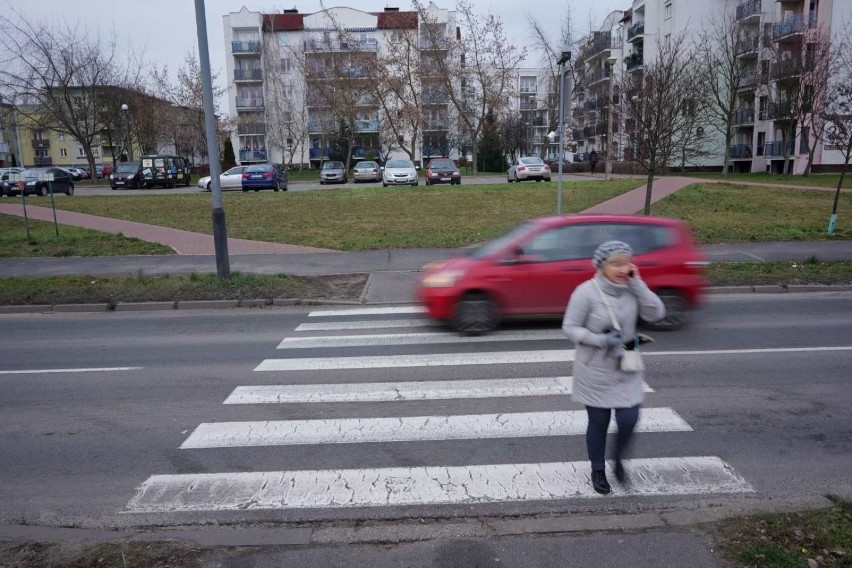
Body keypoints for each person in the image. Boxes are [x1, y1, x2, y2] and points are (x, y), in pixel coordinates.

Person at [561, 241, 665, 494]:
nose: (622, 268)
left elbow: (657, 314)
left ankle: (618, 460)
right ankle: (598, 469)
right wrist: (601, 340)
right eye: (615, 263)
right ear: (602, 265)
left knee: (629, 420)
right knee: (598, 422)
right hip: (595, 367)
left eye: (626, 263)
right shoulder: (586, 292)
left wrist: (638, 283)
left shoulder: (632, 289)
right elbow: (570, 327)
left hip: (626, 366)